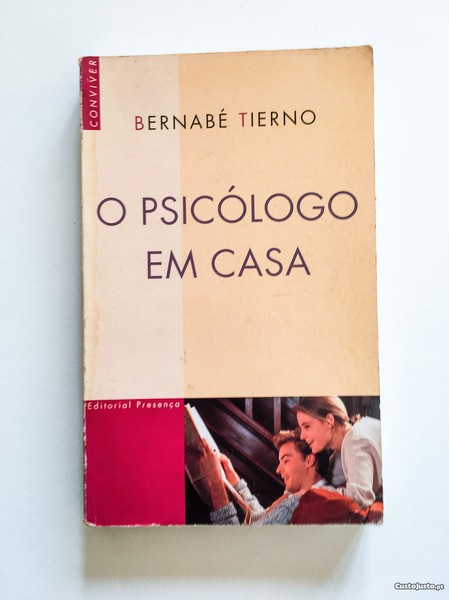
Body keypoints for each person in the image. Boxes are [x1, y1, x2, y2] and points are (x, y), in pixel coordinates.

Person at [198, 429, 334, 525]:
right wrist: (232, 476)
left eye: (286, 461)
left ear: (309, 461)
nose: (278, 470)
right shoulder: (297, 497)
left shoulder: (299, 506)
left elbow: (236, 546)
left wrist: (215, 483)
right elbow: (260, 520)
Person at [293, 396, 382, 509]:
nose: (302, 436)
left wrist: (316, 492)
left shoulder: (355, 442)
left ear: (329, 421)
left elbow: (359, 497)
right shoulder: (342, 450)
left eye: (307, 427)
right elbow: (331, 479)